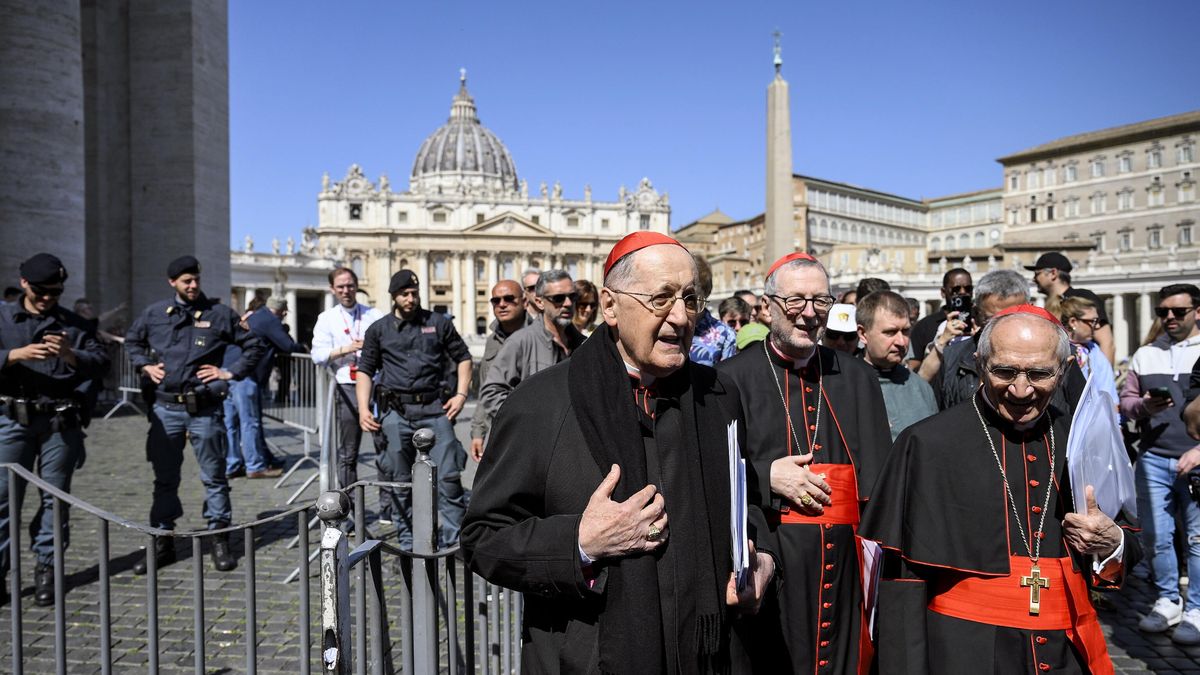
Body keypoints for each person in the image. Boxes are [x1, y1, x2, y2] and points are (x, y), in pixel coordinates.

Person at [463, 232, 775, 673]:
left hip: (708, 653)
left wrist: (762, 560)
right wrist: (580, 543)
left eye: (690, 299)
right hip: (593, 658)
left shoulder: (719, 394)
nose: (680, 317)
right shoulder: (540, 405)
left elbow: (749, 503)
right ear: (610, 306)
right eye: (661, 299)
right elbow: (484, 539)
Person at [860, 305, 1141, 674]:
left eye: (1039, 374)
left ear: (1065, 370)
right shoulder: (927, 444)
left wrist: (1112, 542)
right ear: (979, 364)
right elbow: (900, 584)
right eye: (1004, 371)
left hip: (1063, 650)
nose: (1021, 389)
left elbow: (1130, 543)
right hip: (961, 652)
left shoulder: (1084, 439)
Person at [718, 252, 892, 674]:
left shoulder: (857, 377)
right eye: (795, 301)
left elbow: (881, 483)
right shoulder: (729, 378)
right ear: (767, 306)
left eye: (821, 301)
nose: (809, 314)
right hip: (775, 562)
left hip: (850, 570)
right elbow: (705, 472)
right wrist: (765, 474)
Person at [125, 255, 266, 573]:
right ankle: (162, 541)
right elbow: (132, 341)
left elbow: (254, 345)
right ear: (172, 282)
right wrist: (144, 365)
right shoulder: (155, 314)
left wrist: (229, 372)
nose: (193, 286)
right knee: (164, 479)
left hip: (204, 409)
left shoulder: (220, 315)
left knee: (215, 477)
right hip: (166, 410)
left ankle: (219, 538)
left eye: (196, 280)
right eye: (186, 281)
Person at [0, 254, 108, 607]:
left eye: (57, 292)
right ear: (25, 284)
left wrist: (72, 355)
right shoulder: (3, 317)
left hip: (60, 423)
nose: (49, 298)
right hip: (11, 420)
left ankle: (47, 567)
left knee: (55, 499)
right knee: (3, 500)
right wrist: (13, 356)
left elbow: (101, 364)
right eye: (43, 291)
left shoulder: (75, 324)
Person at [356, 269, 472, 549]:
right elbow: (365, 370)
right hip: (396, 413)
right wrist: (363, 408)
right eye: (404, 294)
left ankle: (454, 542)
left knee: (449, 479)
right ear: (393, 296)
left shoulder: (438, 323)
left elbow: (464, 357)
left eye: (414, 293)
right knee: (398, 482)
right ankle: (408, 544)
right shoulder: (378, 329)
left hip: (435, 410)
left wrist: (461, 394)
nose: (410, 299)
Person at [1119, 283, 1200, 641]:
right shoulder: (1146, 353)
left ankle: (1196, 607)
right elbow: (1127, 400)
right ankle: (1167, 599)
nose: (1169, 317)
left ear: (1197, 312)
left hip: (1196, 456)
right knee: (1157, 537)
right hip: (1154, 456)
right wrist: (1143, 407)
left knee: (1198, 539)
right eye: (1162, 311)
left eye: (1178, 311)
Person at [478, 270, 586, 442]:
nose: (567, 303)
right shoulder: (519, 342)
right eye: (558, 298)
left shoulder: (584, 345)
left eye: (572, 297)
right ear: (539, 302)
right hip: (533, 443)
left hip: (572, 442)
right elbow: (491, 393)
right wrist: (529, 422)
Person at [310, 268, 385, 507]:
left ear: (357, 285)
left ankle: (387, 506)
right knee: (348, 453)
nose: (346, 291)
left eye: (350, 285)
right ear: (333, 289)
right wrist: (346, 349)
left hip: (377, 385)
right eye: (340, 287)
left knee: (384, 449)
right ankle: (350, 510)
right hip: (346, 386)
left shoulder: (374, 314)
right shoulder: (326, 318)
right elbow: (317, 355)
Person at [226, 296, 304, 478]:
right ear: (282, 311)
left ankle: (232, 464)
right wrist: (304, 348)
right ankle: (255, 466)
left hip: (228, 370)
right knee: (249, 422)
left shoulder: (253, 316)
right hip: (245, 374)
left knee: (232, 424)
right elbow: (289, 346)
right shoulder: (271, 320)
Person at [935, 270, 1032, 409]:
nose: (1003, 330)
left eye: (1012, 318)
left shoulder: (1056, 356)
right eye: (991, 320)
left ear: (1031, 310)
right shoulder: (952, 356)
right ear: (976, 313)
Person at [857, 290, 937, 440]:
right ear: (863, 334)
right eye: (890, 332)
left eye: (905, 331)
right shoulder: (845, 385)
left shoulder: (921, 387)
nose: (901, 342)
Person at [470, 280, 526, 462]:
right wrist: (478, 431)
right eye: (496, 300)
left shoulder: (540, 335)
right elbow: (486, 389)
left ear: (524, 301)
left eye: (509, 299)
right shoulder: (492, 340)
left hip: (530, 431)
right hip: (499, 433)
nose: (502, 304)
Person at [1027, 251, 1114, 365]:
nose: (1034, 279)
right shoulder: (1050, 304)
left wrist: (1104, 379)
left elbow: (1107, 343)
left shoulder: (1084, 298)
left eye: (1037, 273)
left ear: (1053, 273)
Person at [1053, 295, 1118, 403]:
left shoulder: (1094, 351)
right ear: (1073, 322)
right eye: (1092, 321)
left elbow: (1108, 394)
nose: (1096, 326)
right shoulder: (1055, 348)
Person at [908, 268, 972, 370]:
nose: (963, 292)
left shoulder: (979, 322)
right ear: (943, 292)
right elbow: (914, 367)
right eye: (956, 289)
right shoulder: (924, 326)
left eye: (968, 289)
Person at [689, 255, 737, 367]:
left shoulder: (725, 335)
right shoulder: (666, 326)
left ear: (706, 291)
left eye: (691, 296)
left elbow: (727, 379)